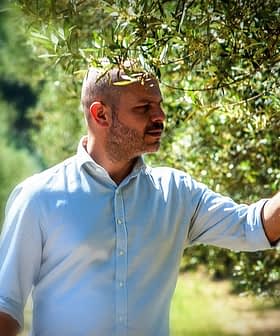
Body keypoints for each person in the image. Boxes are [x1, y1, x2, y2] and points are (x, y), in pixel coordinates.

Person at [0, 66, 279, 336]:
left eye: (159, 105)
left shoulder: (176, 193)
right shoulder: (39, 198)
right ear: (101, 114)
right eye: (144, 108)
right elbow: (5, 305)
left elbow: (252, 226)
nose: (160, 116)